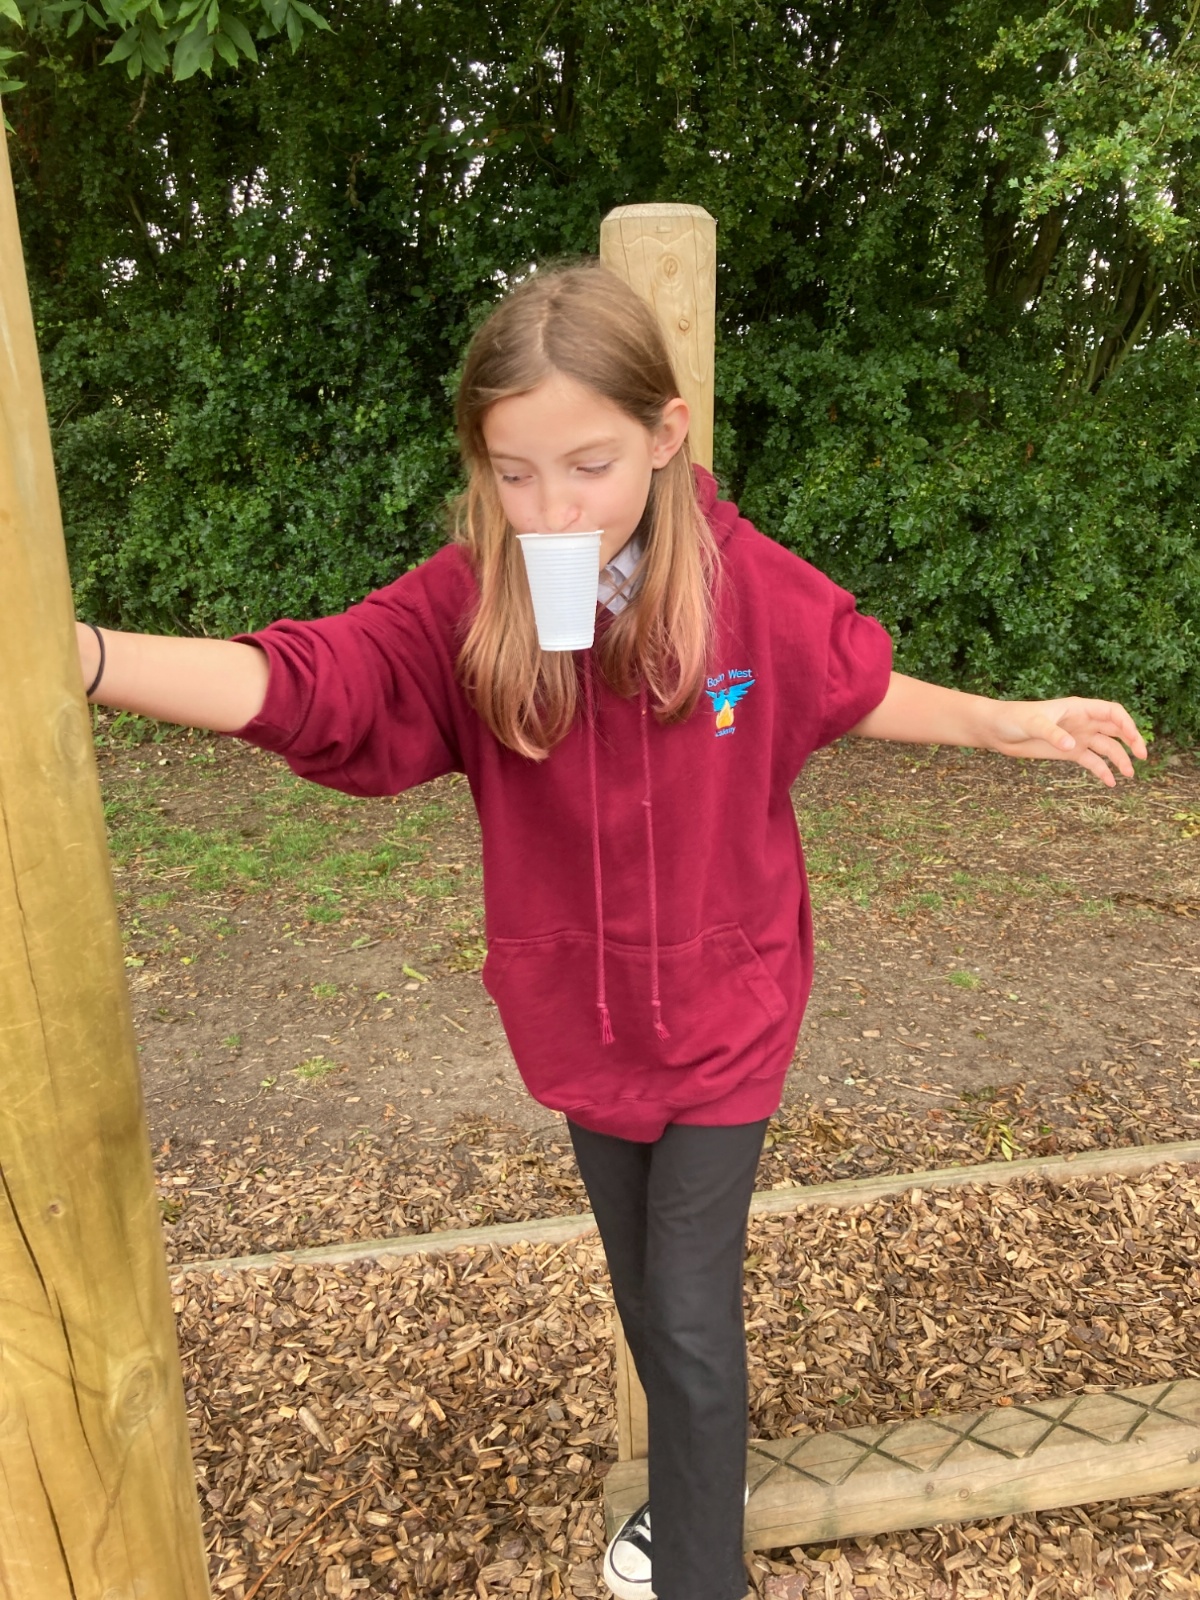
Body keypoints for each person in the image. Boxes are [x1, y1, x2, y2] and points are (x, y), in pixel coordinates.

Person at [75, 261, 1146, 1600]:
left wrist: (1001, 721)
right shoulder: (474, 597)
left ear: (664, 434)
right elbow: (313, 681)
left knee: (686, 1315)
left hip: (727, 1012)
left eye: (587, 466)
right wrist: (85, 657)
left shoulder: (745, 589)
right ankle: (707, 1473)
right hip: (578, 1019)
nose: (551, 509)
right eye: (513, 474)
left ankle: (700, 1567)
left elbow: (844, 680)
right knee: (649, 1299)